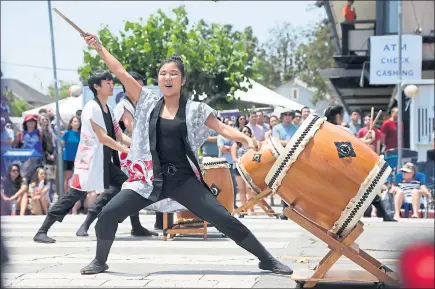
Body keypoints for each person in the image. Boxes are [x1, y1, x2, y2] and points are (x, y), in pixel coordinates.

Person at [79, 33, 292, 276]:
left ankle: (266, 260)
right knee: (108, 214)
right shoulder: (147, 101)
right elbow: (120, 72)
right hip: (149, 179)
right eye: (163, 74)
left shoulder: (195, 110)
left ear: (182, 80)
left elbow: (221, 127)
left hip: (183, 180)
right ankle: (100, 260)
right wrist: (99, 47)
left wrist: (243, 137)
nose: (167, 78)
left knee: (224, 219)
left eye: (173, 74)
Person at [33, 70, 154, 244]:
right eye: (107, 82)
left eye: (112, 82)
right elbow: (103, 137)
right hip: (89, 162)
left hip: (105, 160)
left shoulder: (109, 108)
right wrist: (128, 151)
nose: (112, 85)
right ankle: (43, 230)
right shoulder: (92, 108)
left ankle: (135, 225)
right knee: (73, 195)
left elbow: (118, 134)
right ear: (96, 87)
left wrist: (138, 146)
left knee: (129, 184)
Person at [324, 106, 396, 222]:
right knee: (368, 188)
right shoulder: (342, 130)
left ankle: (384, 215)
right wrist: (367, 140)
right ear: (338, 116)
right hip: (345, 166)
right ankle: (384, 215)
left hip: (329, 166)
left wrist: (365, 139)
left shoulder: (324, 130)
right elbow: (352, 146)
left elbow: (353, 143)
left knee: (364, 189)